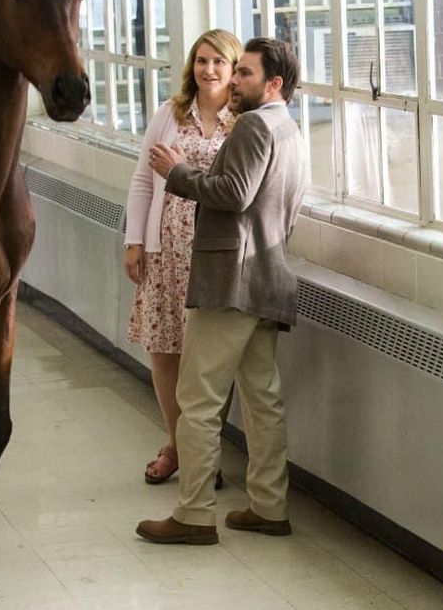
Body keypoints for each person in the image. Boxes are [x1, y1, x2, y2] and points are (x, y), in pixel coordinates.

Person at [135, 37, 308, 545]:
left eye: (245, 74)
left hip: (230, 280)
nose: (234, 80)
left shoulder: (254, 124)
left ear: (273, 84)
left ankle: (193, 515)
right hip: (267, 277)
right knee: (262, 399)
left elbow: (234, 194)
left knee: (199, 398)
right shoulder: (290, 129)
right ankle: (269, 507)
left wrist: (177, 173)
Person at [123, 29, 243, 485]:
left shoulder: (242, 122)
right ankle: (178, 446)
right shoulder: (170, 114)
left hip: (213, 256)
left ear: (233, 71)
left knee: (208, 360)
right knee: (165, 351)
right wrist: (134, 241)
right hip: (164, 251)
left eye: (218, 62)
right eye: (201, 60)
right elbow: (140, 180)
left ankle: (202, 454)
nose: (208, 70)